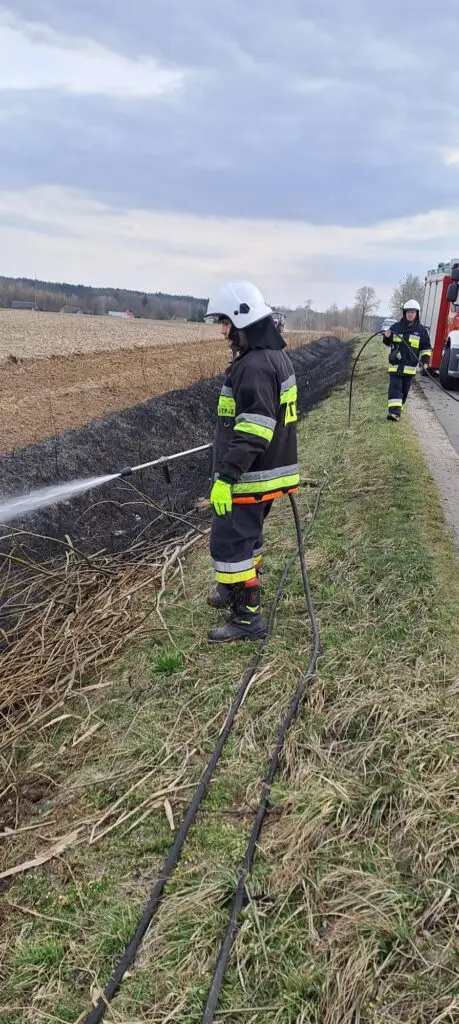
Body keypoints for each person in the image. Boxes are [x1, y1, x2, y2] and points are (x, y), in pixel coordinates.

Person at [203, 280, 299, 643]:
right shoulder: (273, 356)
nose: (222, 331)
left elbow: (255, 430)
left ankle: (247, 618)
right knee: (248, 537)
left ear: (242, 319)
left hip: (249, 474)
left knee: (230, 543)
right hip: (269, 471)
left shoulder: (255, 365)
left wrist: (226, 477)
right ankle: (233, 589)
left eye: (225, 322)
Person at [383, 299, 432, 421]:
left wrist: (425, 362)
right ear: (404, 313)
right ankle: (394, 413)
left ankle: (398, 410)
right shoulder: (396, 327)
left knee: (404, 392)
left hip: (409, 369)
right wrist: (387, 337)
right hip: (395, 366)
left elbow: (426, 348)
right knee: (395, 389)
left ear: (417, 314)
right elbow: (387, 342)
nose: (410, 314)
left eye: (412, 312)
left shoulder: (421, 331)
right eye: (408, 312)